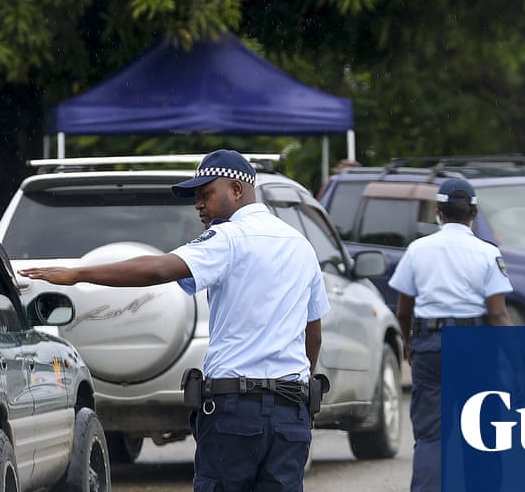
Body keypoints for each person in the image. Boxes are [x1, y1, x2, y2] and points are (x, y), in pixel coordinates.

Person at [19, 149, 329, 491]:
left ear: (237, 190)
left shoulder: (228, 238)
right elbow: (312, 334)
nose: (198, 204)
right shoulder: (301, 246)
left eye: (206, 193)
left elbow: (157, 268)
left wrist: (78, 273)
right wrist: (297, 393)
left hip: (237, 412)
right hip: (291, 412)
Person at [389, 177, 513, 492]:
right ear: (474, 212)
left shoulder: (418, 250)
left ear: (438, 211)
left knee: (431, 437)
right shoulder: (487, 253)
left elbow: (404, 310)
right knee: (481, 436)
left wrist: (410, 345)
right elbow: (497, 313)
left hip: (430, 345)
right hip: (474, 347)